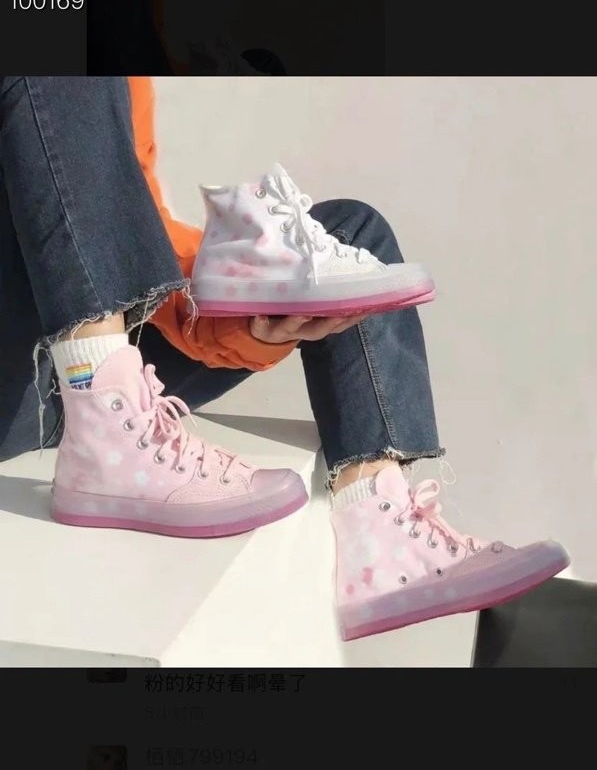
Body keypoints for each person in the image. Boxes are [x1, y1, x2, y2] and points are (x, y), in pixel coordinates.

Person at [0, 76, 569, 641]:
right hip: (22, 377)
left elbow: (107, 228)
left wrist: (254, 310)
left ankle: (382, 535)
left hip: (79, 342)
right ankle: (105, 421)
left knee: (353, 238)